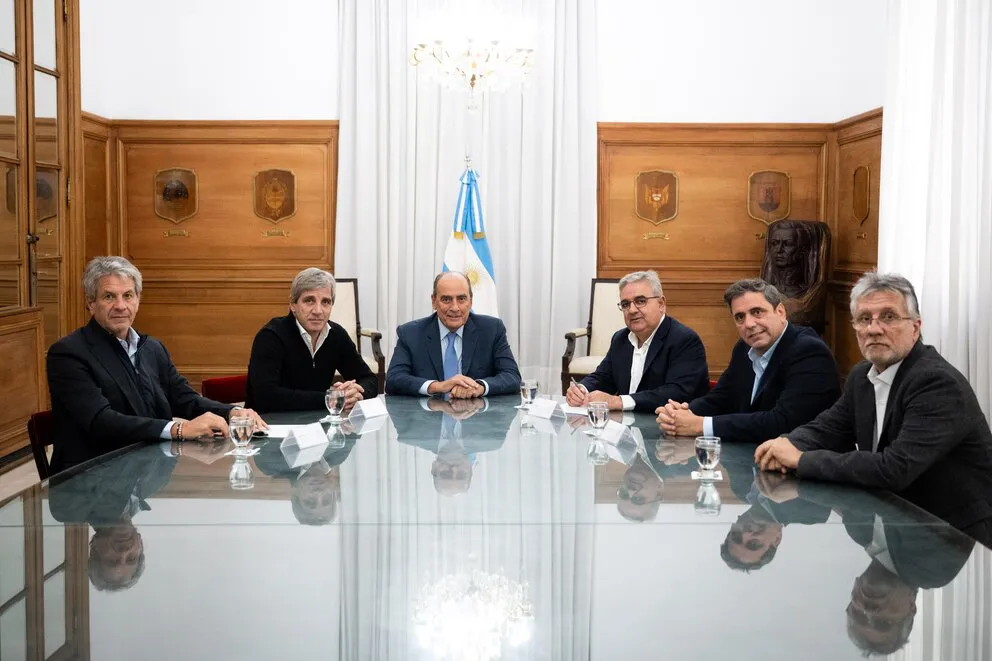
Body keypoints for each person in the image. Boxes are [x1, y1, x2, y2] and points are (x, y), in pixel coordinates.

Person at [755, 272, 992, 545]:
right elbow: (828, 428)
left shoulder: (936, 383)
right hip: (893, 525)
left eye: (889, 317)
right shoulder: (862, 375)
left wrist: (800, 459)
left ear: (915, 327)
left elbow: (895, 468)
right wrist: (786, 443)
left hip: (952, 538)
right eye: (864, 318)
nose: (874, 329)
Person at [46, 256, 267, 473]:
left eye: (128, 295)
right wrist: (179, 429)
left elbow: (183, 399)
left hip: (147, 471)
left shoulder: (152, 347)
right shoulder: (68, 353)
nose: (120, 306)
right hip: (91, 479)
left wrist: (232, 412)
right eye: (109, 296)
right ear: (91, 303)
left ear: (138, 300)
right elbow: (101, 421)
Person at [656, 278, 840, 443]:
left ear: (781, 312)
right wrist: (681, 413)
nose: (749, 324)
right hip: (754, 456)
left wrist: (700, 425)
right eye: (740, 317)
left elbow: (782, 422)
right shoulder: (744, 348)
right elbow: (720, 398)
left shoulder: (809, 352)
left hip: (806, 462)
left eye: (757, 312)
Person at [565, 270, 709, 413]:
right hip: (627, 423)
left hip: (668, 423)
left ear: (661, 304)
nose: (632, 310)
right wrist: (581, 389)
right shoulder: (620, 338)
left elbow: (676, 393)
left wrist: (619, 401)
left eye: (640, 301)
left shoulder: (684, 340)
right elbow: (603, 377)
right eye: (625, 304)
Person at [246, 267, 378, 413]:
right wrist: (331, 398)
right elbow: (266, 397)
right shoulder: (270, 336)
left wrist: (357, 393)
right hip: (269, 423)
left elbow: (370, 379)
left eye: (325, 302)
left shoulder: (336, 335)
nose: (318, 311)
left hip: (317, 422)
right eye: (309, 301)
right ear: (293, 305)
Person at [385, 272, 521, 397]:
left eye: (461, 299)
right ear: (434, 301)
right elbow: (393, 380)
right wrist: (438, 386)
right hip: (427, 414)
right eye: (446, 299)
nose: (455, 308)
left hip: (478, 414)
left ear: (471, 301)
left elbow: (512, 376)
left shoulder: (492, 329)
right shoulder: (410, 333)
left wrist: (479, 387)